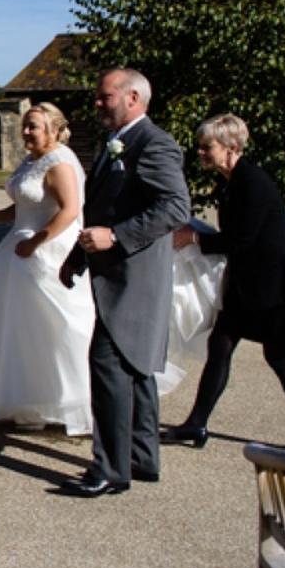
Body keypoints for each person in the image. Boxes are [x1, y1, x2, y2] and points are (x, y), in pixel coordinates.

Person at [58, 69, 190, 497]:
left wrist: (115, 237)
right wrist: (78, 256)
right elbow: (104, 207)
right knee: (134, 366)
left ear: (132, 97)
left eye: (104, 96)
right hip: (116, 271)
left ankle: (111, 469)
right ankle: (141, 458)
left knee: (109, 366)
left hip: (135, 274)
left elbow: (175, 207)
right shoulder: (116, 143)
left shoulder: (153, 143)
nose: (97, 103)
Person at [163, 114, 285, 454]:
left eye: (207, 147)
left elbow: (241, 239)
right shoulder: (231, 182)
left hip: (276, 285)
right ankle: (197, 423)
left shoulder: (253, 181)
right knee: (220, 347)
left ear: (231, 147)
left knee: (279, 355)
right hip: (249, 283)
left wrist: (193, 236)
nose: (202, 153)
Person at [0, 104, 94, 435]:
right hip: (16, 251)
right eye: (24, 126)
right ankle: (26, 399)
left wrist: (36, 243)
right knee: (16, 328)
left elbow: (70, 211)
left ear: (53, 128)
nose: (25, 132)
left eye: (32, 127)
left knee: (53, 327)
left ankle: (66, 400)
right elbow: (23, 206)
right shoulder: (31, 160)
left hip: (45, 252)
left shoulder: (60, 162)